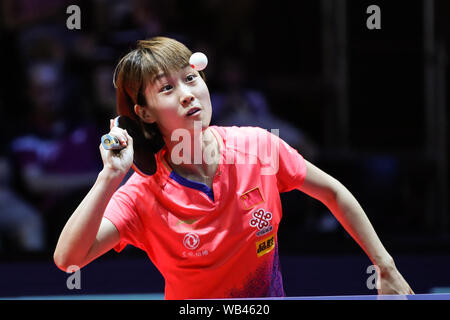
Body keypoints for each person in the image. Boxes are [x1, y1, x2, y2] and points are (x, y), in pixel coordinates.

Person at [53, 36, 413, 299]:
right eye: (167, 88)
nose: (187, 94)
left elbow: (333, 192)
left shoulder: (258, 147)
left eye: (190, 78)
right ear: (144, 113)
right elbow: (69, 259)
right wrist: (109, 178)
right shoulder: (142, 193)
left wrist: (385, 266)